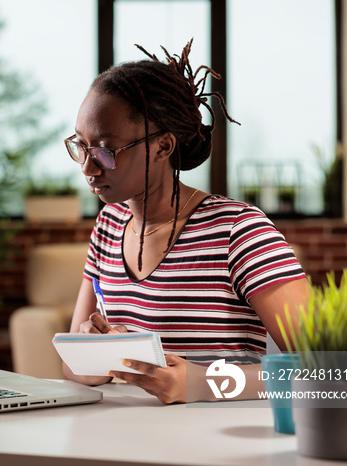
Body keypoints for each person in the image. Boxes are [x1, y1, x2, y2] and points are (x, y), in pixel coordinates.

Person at [62, 39, 309, 404]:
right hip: (121, 441)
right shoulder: (109, 227)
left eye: (105, 150)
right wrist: (96, 353)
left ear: (163, 146)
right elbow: (75, 370)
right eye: (81, 146)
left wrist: (202, 382)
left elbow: (325, 369)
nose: (87, 166)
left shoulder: (238, 230)